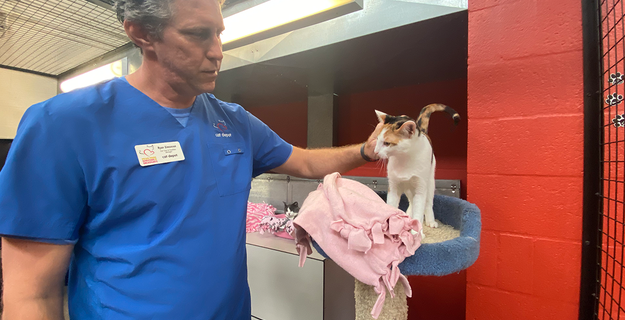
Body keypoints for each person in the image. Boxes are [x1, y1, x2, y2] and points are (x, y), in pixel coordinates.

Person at [0, 0, 381, 319]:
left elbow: (304, 162)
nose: (217, 51)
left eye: (218, 34)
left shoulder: (234, 121)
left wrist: (367, 150)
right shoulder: (63, 124)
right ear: (141, 33)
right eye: (198, 34)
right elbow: (31, 293)